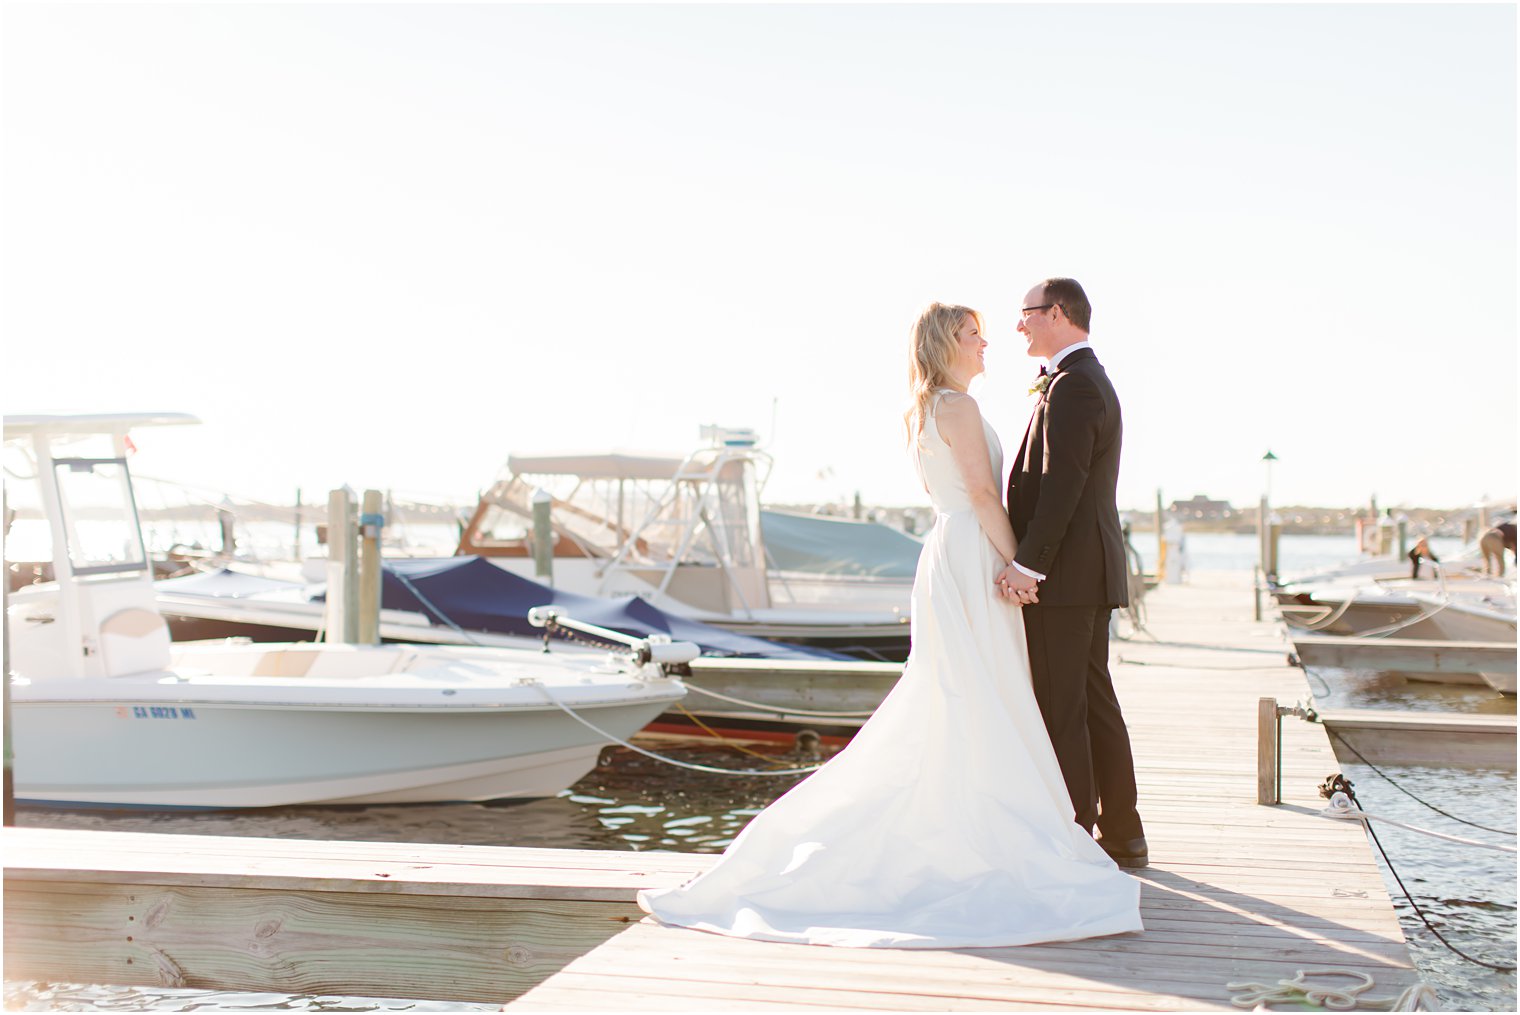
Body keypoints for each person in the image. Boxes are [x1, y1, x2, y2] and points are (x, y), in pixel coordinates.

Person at [636, 302, 1143, 948]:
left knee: (968, 693)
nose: (986, 342)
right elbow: (983, 496)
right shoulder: (955, 408)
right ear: (944, 343)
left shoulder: (929, 407)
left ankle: (992, 813)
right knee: (985, 691)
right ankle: (998, 823)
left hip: (949, 551)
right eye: (972, 334)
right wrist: (1021, 563)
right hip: (971, 553)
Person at [996, 278, 1148, 870]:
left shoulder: (1076, 386)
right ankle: (1123, 834)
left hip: (1066, 577)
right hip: (1085, 572)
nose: (1019, 326)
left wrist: (1028, 565)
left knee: (1064, 708)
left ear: (1055, 314)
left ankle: (1075, 833)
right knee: (1091, 700)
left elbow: (1064, 487)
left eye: (1026, 314)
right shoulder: (1081, 380)